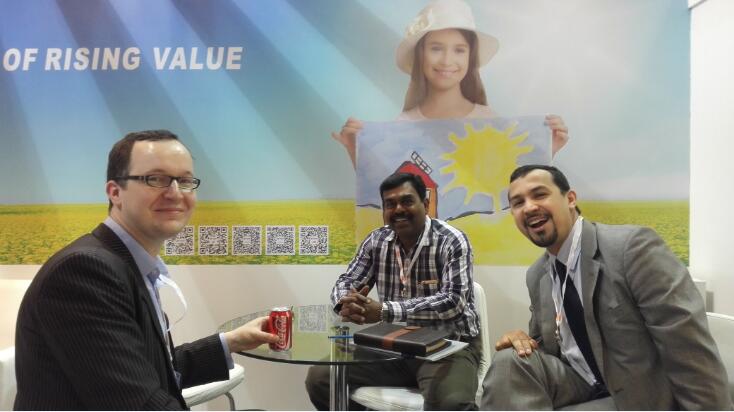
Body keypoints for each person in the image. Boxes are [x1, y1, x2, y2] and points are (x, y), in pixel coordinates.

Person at [14, 130, 279, 410]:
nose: (175, 193)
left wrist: (232, 341)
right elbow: (137, 401)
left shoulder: (129, 263)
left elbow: (151, 368)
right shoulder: (84, 272)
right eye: (156, 179)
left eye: (185, 181)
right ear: (115, 192)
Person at [481, 164, 732, 410]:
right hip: (580, 382)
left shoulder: (632, 248)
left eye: (539, 194)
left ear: (570, 199)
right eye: (518, 203)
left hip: (638, 393)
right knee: (509, 361)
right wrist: (521, 341)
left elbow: (687, 347)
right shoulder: (538, 275)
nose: (529, 207)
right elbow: (546, 345)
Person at [304, 172, 481, 410]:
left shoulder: (452, 240)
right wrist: (347, 303)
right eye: (390, 204)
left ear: (425, 203)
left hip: (448, 347)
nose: (398, 209)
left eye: (407, 201)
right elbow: (347, 281)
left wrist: (384, 311)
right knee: (321, 379)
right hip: (394, 346)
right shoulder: (377, 241)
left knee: (451, 404)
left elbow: (453, 302)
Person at [331, 0, 569, 168]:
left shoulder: (490, 122)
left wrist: (548, 149)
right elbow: (385, 189)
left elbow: (511, 183)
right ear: (420, 55)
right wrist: (355, 150)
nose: (447, 61)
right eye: (436, 48)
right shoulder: (402, 126)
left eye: (459, 50)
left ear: (470, 57)